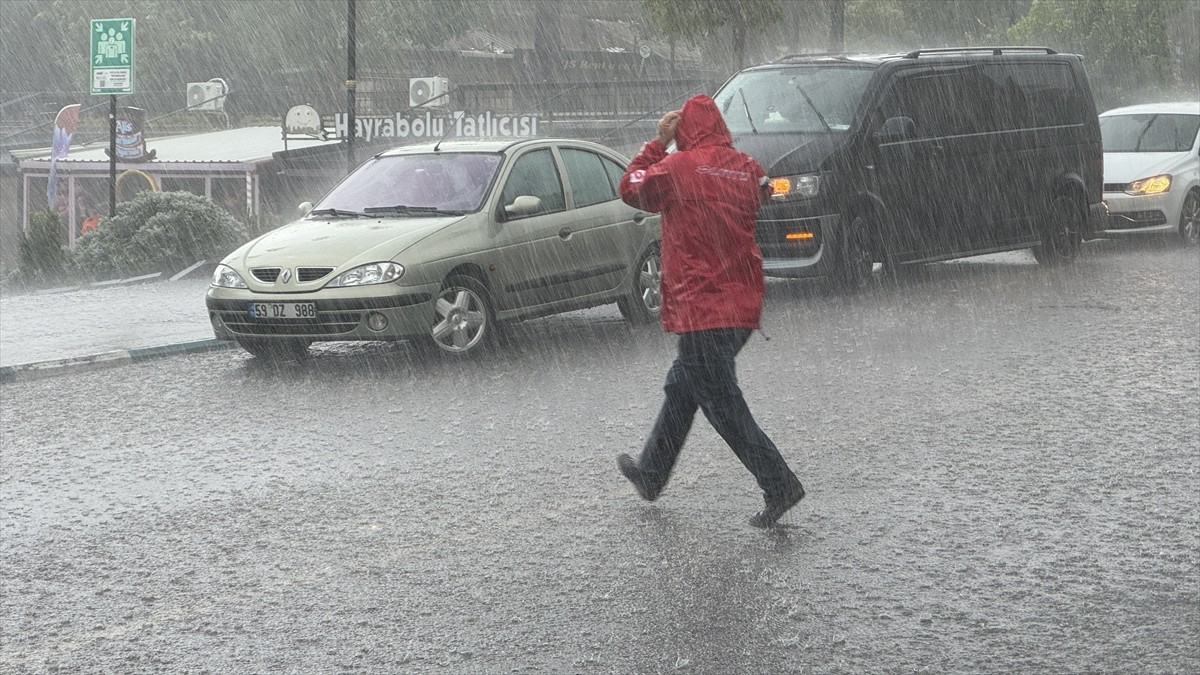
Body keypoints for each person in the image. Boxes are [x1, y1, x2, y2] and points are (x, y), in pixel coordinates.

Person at [615, 94, 805, 529]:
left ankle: (779, 484)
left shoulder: (677, 170)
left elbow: (631, 187)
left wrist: (657, 144)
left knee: (723, 405)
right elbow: (766, 192)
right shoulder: (744, 166)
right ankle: (652, 473)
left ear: (684, 129)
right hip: (740, 308)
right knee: (683, 387)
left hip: (702, 307)